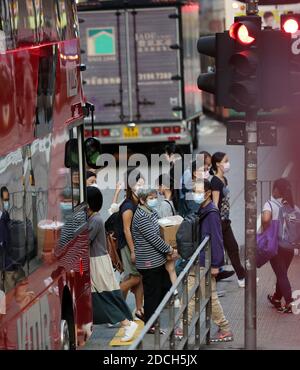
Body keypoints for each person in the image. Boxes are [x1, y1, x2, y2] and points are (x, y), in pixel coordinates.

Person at [87, 186, 138, 341]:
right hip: (96, 261)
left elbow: (84, 241)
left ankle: (127, 324)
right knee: (106, 295)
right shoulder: (94, 219)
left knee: (104, 295)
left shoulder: (95, 220)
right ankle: (126, 322)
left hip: (98, 262)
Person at [188, 179, 233, 343]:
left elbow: (217, 240)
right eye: (194, 190)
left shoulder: (212, 212)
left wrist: (216, 265)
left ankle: (225, 328)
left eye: (198, 191)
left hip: (206, 262)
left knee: (210, 296)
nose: (195, 194)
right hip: (198, 260)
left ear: (207, 193)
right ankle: (181, 327)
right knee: (191, 294)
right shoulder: (203, 209)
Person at [132, 186, 175, 332]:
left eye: (155, 197)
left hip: (158, 260)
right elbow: (153, 238)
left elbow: (161, 228)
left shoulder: (151, 212)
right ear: (142, 200)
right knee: (152, 294)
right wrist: (169, 249)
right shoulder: (141, 217)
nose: (154, 200)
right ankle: (150, 324)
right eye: (151, 198)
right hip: (148, 262)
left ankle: (149, 316)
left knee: (164, 288)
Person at [210, 152, 246, 287]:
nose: (227, 163)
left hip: (225, 221)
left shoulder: (224, 180)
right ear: (218, 164)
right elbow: (215, 205)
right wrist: (216, 225)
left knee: (233, 248)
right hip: (219, 222)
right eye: (225, 161)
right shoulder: (215, 182)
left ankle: (241, 277)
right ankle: (240, 277)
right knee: (226, 250)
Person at [262, 178, 295, 313]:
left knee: (281, 274)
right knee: (282, 273)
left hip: (276, 246)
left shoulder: (269, 204)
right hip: (289, 247)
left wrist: (266, 231)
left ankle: (289, 302)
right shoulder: (291, 205)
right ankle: (276, 298)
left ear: (276, 189)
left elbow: (265, 219)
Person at [118, 169, 144, 320]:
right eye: (138, 183)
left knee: (138, 276)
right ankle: (112, 301)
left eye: (142, 183)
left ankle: (139, 310)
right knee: (135, 277)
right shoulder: (128, 206)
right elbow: (126, 230)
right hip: (128, 246)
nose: (141, 185)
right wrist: (133, 251)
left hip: (135, 244)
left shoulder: (136, 201)